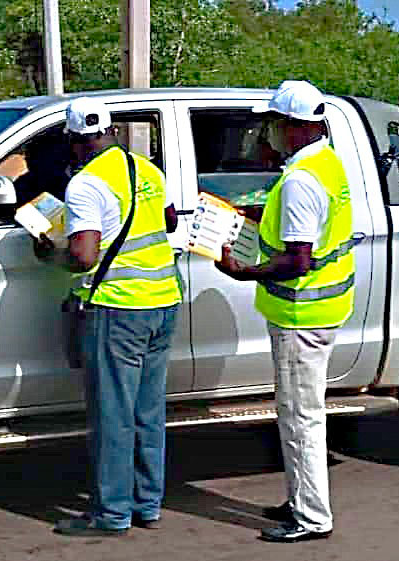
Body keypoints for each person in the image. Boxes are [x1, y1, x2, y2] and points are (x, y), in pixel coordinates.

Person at [216, 80, 356, 543]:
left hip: (302, 317)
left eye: (274, 123)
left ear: (295, 127)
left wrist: (243, 271)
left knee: (300, 417)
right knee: (302, 413)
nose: (268, 132)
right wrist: (241, 216)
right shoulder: (323, 164)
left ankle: (312, 517)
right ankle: (302, 498)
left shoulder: (300, 180)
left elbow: (296, 260)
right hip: (323, 309)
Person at [35, 97, 182, 537]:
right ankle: (147, 504)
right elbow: (170, 221)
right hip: (163, 302)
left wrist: (49, 253)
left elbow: (83, 256)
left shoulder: (85, 185)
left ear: (75, 142)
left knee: (112, 414)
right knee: (147, 411)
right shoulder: (147, 170)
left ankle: (111, 513)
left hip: (118, 308)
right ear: (111, 132)